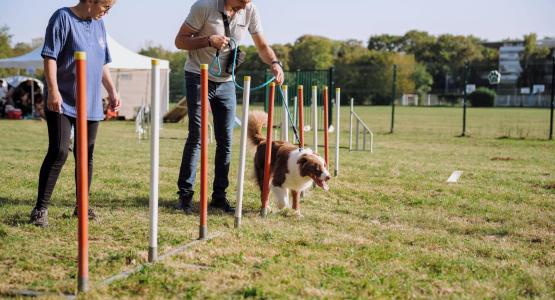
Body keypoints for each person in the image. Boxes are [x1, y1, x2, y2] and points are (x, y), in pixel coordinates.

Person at [174, 0, 284, 214]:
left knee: (226, 140)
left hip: (226, 82)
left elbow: (262, 46)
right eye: (242, 1)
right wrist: (207, 40)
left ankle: (219, 197)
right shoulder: (203, 7)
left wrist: (274, 63)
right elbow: (180, 41)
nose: (245, 5)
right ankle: (185, 196)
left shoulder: (250, 9)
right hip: (198, 75)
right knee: (197, 135)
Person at [30, 0, 121, 227]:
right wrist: (53, 91)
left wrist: (112, 90)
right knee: (59, 151)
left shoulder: (99, 24)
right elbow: (50, 56)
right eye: (105, 7)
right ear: (91, 1)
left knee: (85, 154)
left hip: (89, 103)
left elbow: (102, 63)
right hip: (62, 100)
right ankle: (40, 209)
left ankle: (82, 206)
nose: (106, 13)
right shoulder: (62, 18)